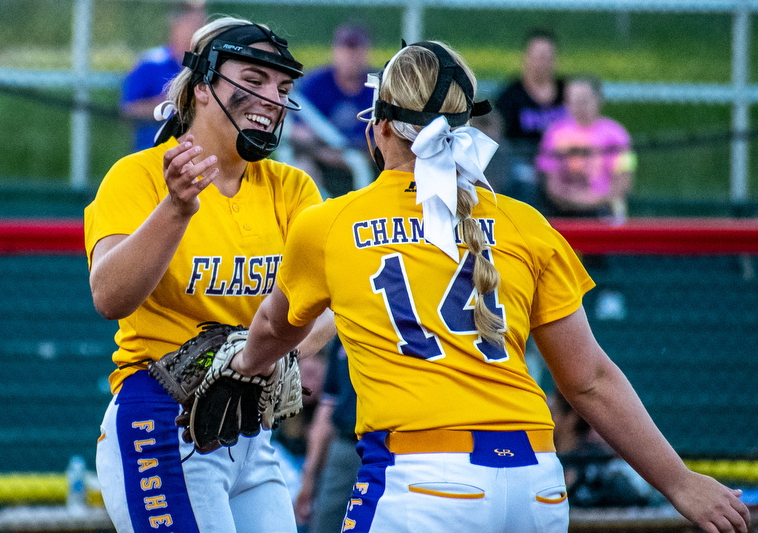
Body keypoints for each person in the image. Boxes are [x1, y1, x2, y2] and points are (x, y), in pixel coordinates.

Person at [226, 40, 751, 533]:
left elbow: (275, 328)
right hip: (537, 481)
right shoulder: (525, 222)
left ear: (380, 126)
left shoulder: (331, 223)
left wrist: (242, 366)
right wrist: (680, 483)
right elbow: (588, 379)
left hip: (422, 476)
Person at [85, 17, 334, 533]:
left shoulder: (293, 188)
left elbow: (334, 303)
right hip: (162, 420)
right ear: (202, 87)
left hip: (251, 430)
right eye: (254, 79)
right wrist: (175, 209)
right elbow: (110, 297)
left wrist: (259, 354)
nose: (273, 97)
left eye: (283, 88)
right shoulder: (140, 176)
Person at [289, 23, 376, 198]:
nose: (350, 55)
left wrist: (352, 153)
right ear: (335, 50)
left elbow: (380, 142)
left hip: (368, 162)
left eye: (356, 48)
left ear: (367, 51)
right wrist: (326, 152)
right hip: (321, 160)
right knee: (301, 168)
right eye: (345, 48)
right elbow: (297, 131)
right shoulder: (315, 84)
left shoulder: (377, 85)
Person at [536, 74, 635, 222]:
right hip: (562, 213)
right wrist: (578, 200)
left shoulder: (618, 134)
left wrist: (594, 201)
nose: (578, 107)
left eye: (584, 101)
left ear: (599, 100)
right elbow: (551, 185)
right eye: (572, 101)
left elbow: (624, 182)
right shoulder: (554, 134)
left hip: (605, 213)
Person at [549, 390, 663, 508]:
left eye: (551, 412)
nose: (543, 420)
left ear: (572, 417)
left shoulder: (602, 472)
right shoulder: (545, 465)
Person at [495, 28, 567, 210]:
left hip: (564, 160)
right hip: (523, 163)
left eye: (547, 56)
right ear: (526, 57)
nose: (542, 62)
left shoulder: (567, 93)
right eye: (537, 56)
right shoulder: (510, 96)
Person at [294, 339, 361, 533]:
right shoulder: (342, 334)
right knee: (325, 524)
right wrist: (309, 472)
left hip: (393, 445)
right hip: (346, 444)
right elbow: (328, 403)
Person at [120, 4, 206, 152]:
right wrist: (170, 103)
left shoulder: (206, 66)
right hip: (153, 152)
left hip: (196, 155)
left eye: (201, 24)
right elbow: (128, 109)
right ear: (175, 25)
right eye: (191, 24)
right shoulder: (150, 64)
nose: (197, 30)